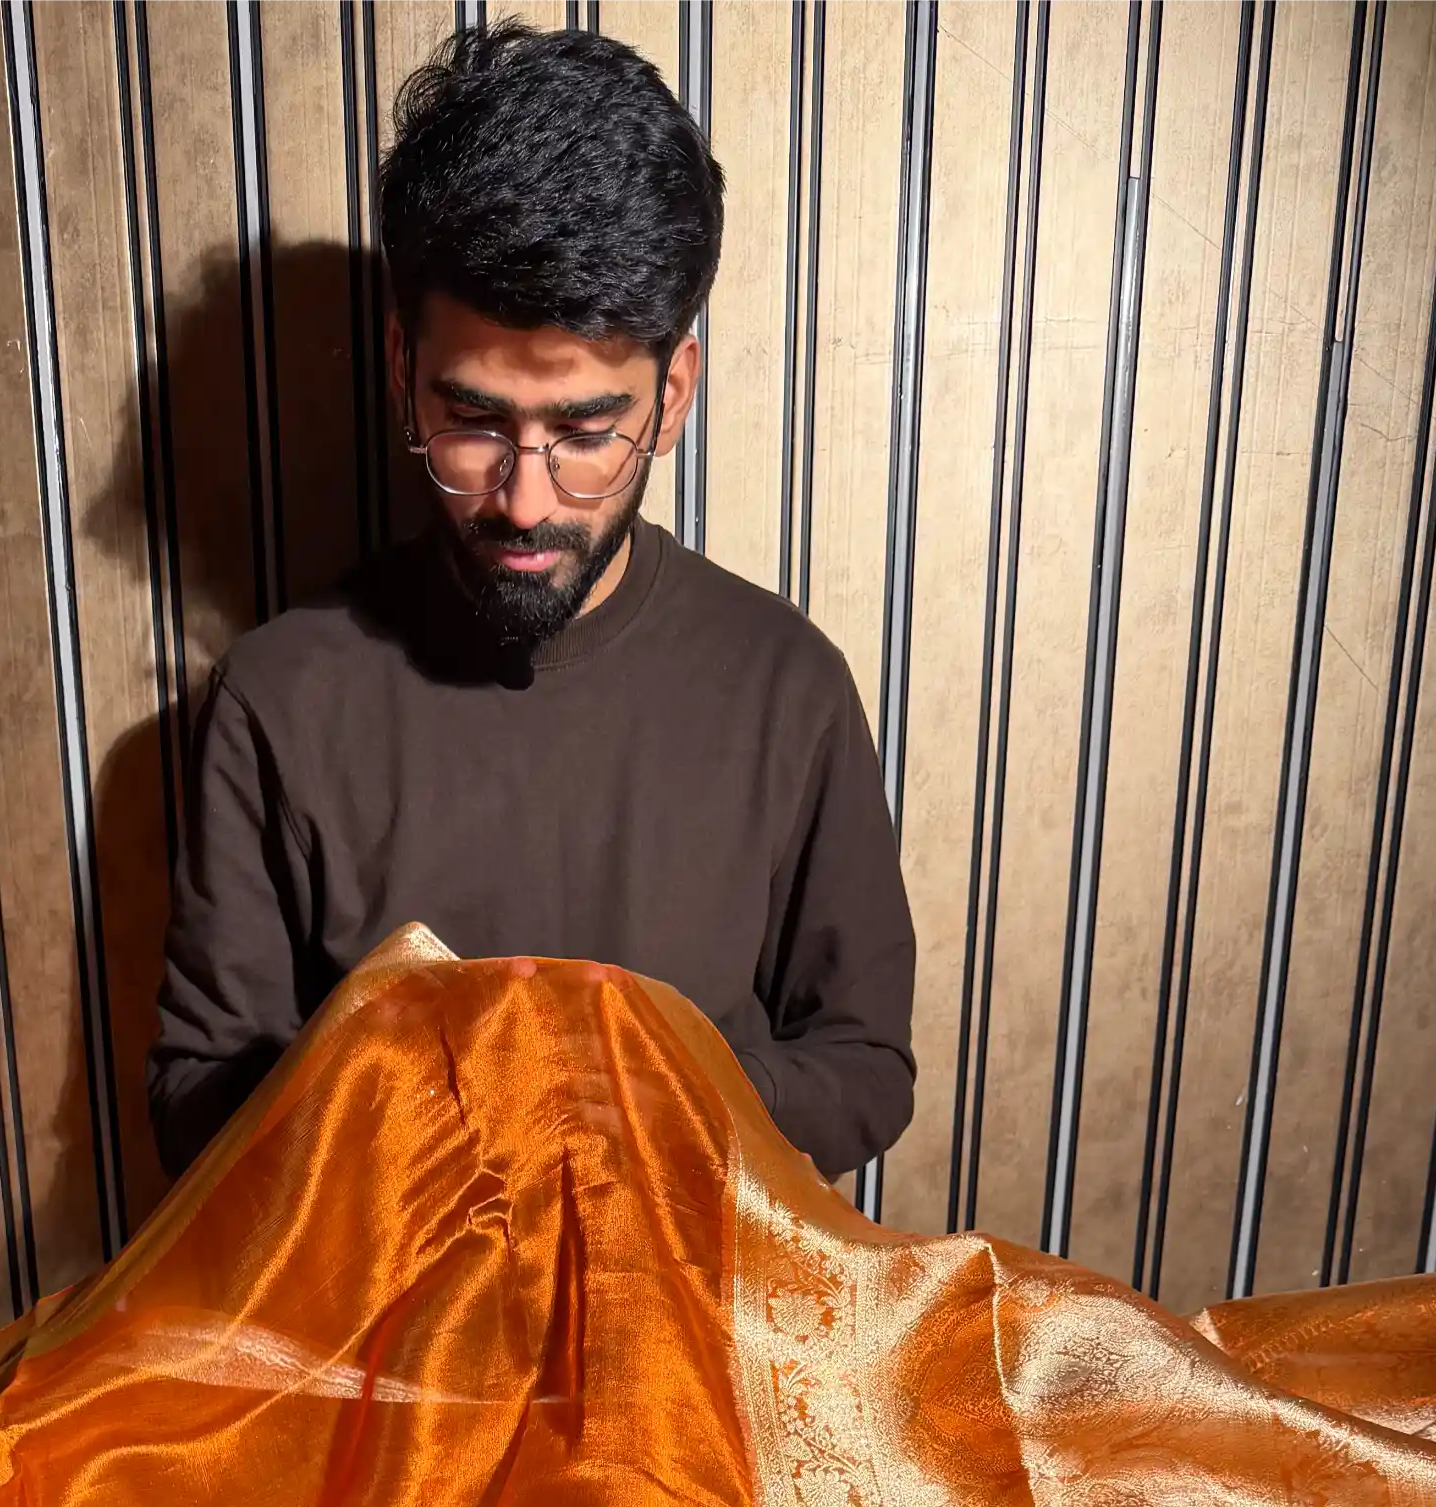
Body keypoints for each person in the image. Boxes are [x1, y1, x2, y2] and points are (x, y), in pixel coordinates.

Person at [147, 22, 918, 1184]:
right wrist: (450, 1093)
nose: (522, 500)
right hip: (391, 1324)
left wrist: (631, 1089)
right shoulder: (279, 698)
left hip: (698, 1309)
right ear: (404, 366)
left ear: (672, 398)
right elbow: (194, 1100)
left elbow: (865, 1067)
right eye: (474, 423)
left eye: (586, 432)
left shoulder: (785, 684)